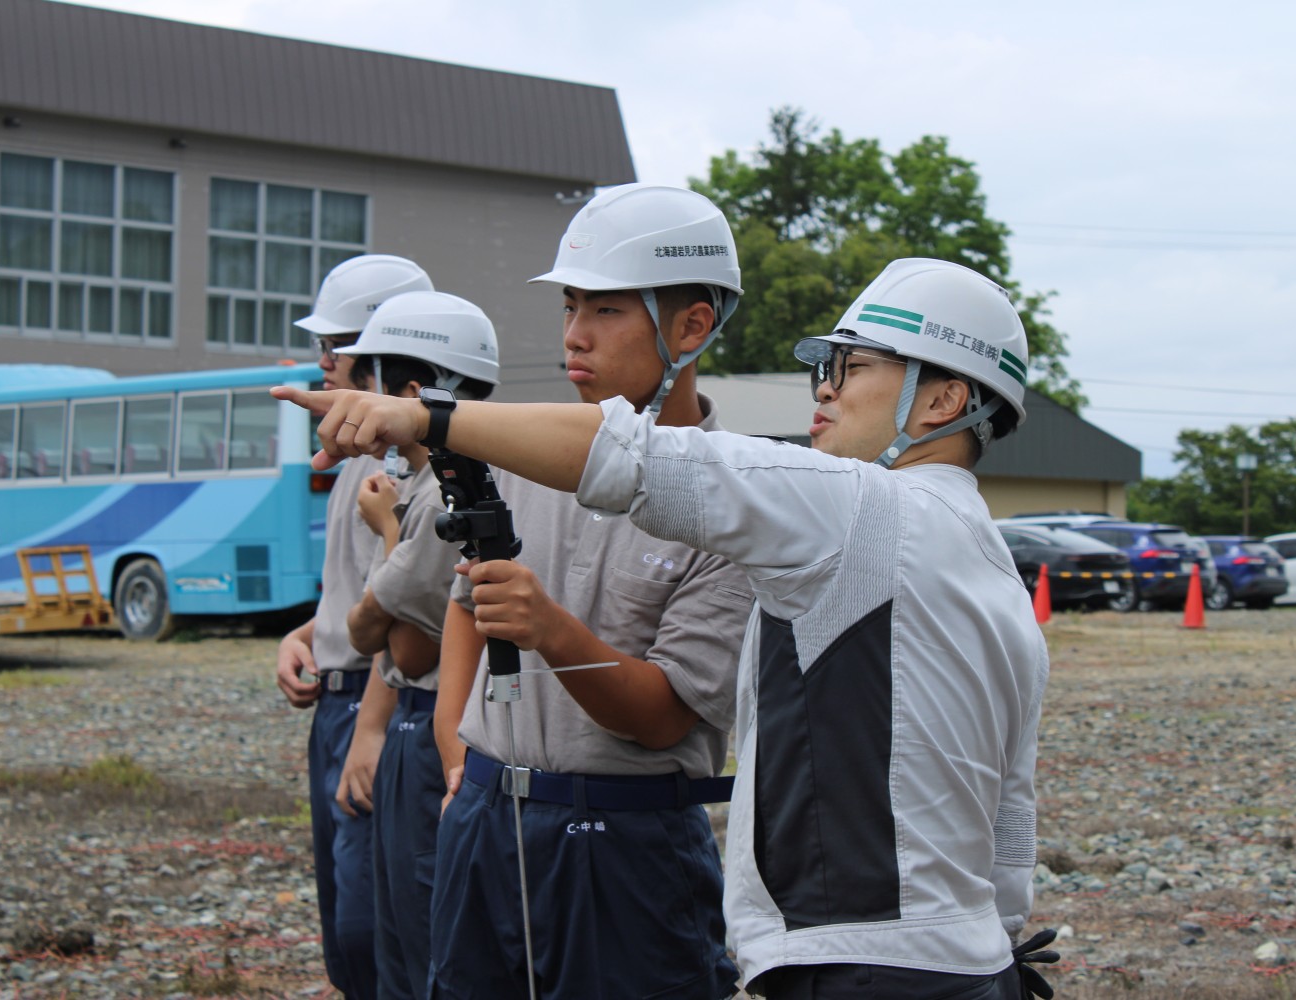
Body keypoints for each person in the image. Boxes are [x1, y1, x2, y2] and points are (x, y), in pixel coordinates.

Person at [274, 257, 1051, 999]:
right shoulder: (998, 573)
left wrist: (424, 415)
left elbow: (640, 458)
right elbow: (1012, 821)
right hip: (968, 962)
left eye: (851, 368)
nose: (824, 390)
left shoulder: (862, 508)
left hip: (861, 966)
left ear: (944, 401)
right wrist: (998, 943)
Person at [430, 183, 755, 999]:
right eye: (571, 305)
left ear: (692, 325)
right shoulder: (525, 455)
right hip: (487, 818)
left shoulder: (737, 503)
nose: (574, 335)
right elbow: (468, 606)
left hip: (629, 841)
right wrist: (453, 759)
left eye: (605, 310)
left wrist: (549, 629)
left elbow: (663, 715)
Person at [331, 291, 500, 1000]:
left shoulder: (441, 497)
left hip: (432, 734)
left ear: (411, 393)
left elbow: (391, 640)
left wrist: (388, 537)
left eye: (367, 380)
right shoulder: (417, 485)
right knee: (393, 930)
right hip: (410, 727)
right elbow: (374, 630)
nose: (355, 396)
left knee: (425, 941)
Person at [273, 254, 432, 1000]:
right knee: (345, 921)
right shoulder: (349, 461)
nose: (324, 363)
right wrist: (304, 634)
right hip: (336, 702)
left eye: (337, 346)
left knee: (378, 929)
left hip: (379, 701)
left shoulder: (404, 471)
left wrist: (370, 727)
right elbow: (353, 598)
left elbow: (407, 612)